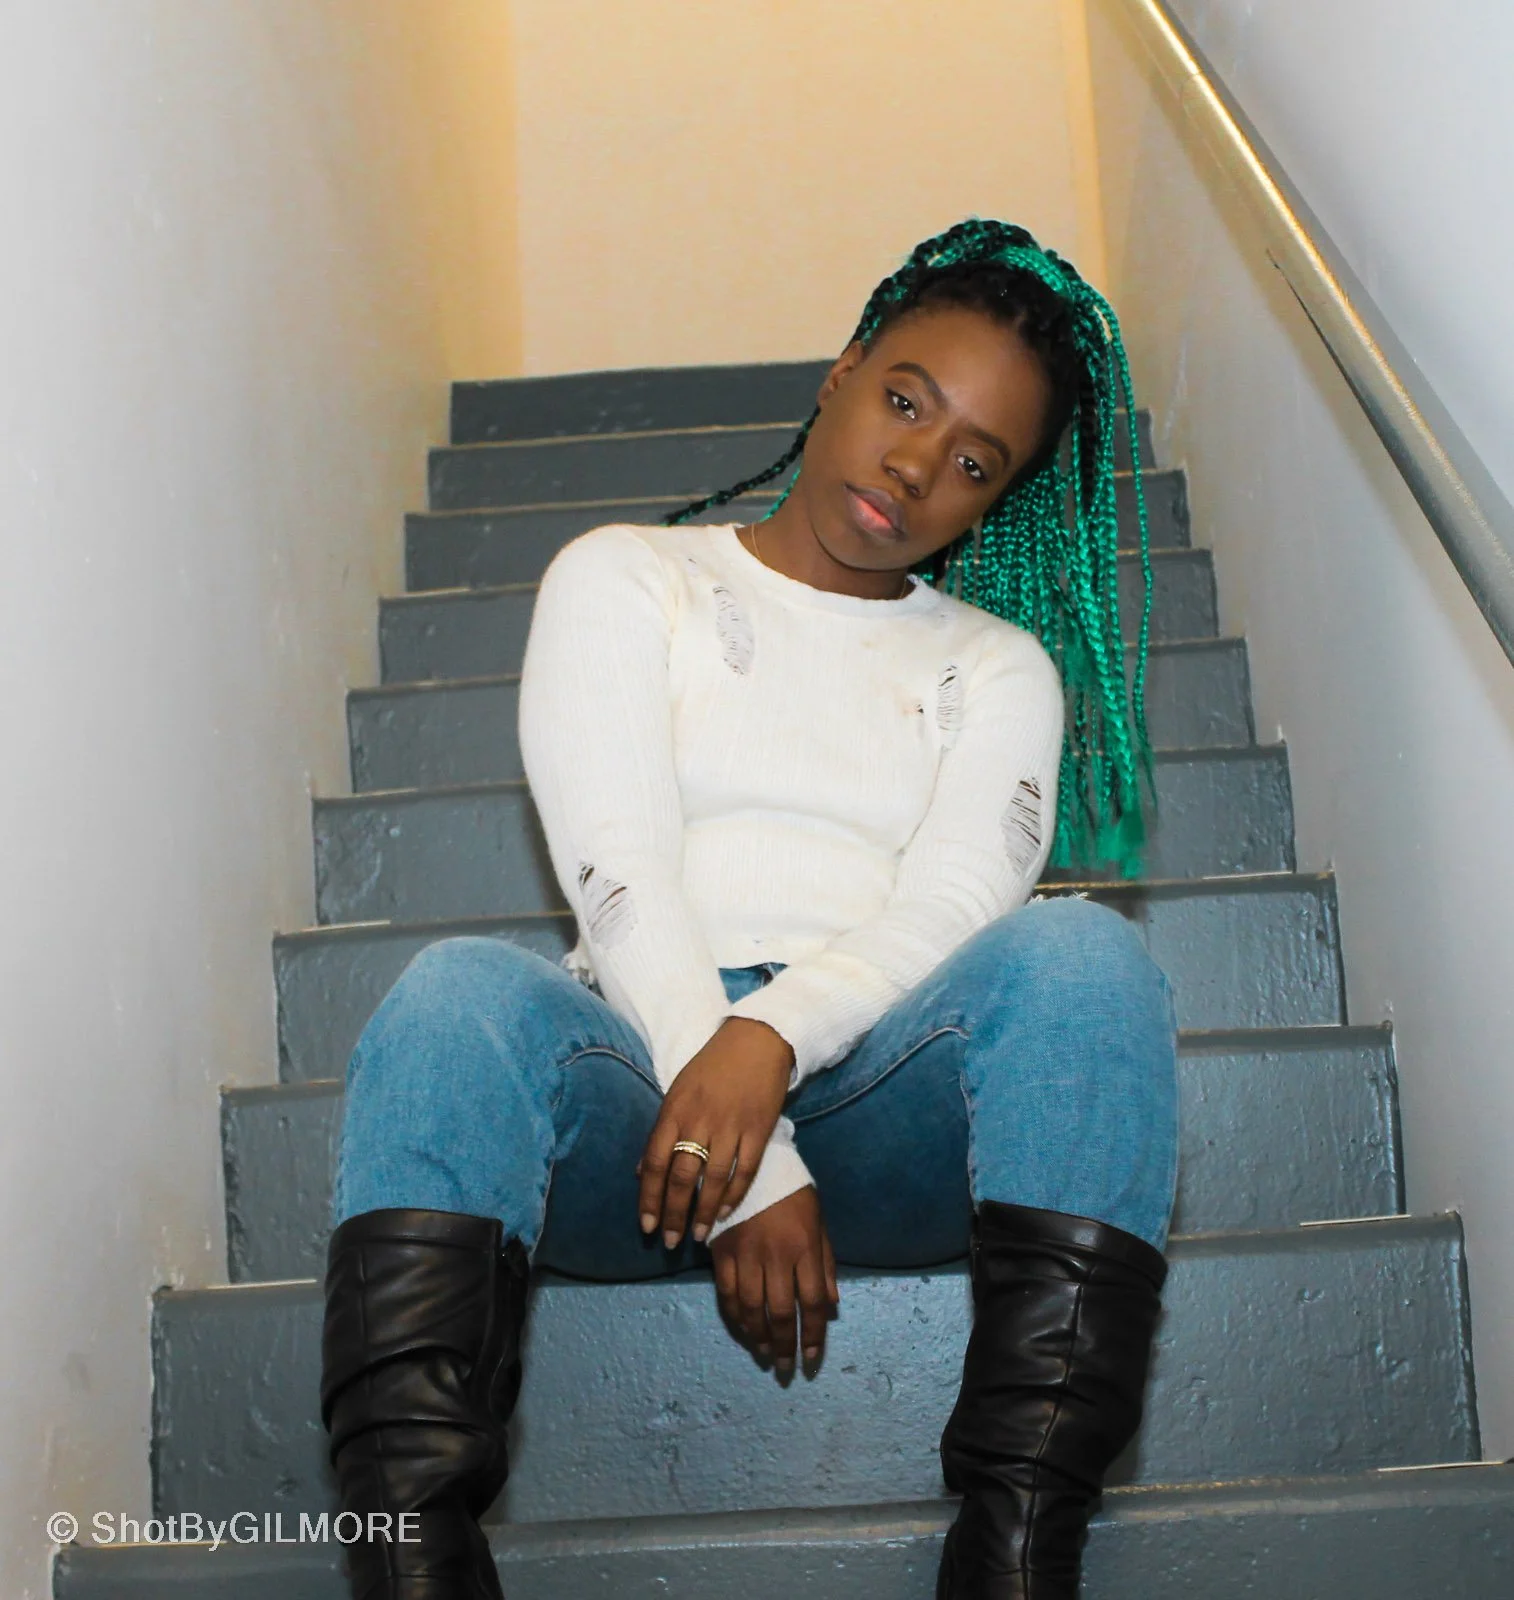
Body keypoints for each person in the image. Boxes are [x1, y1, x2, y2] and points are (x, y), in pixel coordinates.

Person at [317, 218, 1180, 1600]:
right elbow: (616, 866)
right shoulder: (628, 575)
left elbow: (960, 898)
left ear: (995, 501)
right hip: (639, 1111)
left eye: (975, 462)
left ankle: (1017, 1557)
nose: (917, 465)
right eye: (905, 400)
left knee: (1083, 955)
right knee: (455, 996)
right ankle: (413, 1570)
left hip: (887, 1104)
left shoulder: (996, 667)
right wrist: (745, 1148)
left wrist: (769, 1041)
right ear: (842, 373)